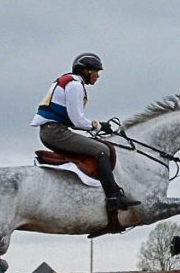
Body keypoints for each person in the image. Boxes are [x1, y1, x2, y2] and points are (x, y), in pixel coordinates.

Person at [31, 52, 140, 213]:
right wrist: (99, 126)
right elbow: (78, 121)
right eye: (96, 72)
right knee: (101, 150)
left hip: (53, 131)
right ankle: (113, 197)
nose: (97, 76)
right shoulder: (75, 85)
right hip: (56, 133)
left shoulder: (67, 81)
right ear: (86, 71)